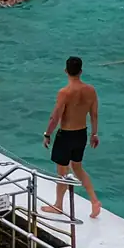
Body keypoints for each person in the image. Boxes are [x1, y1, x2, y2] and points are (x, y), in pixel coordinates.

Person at [43, 56, 101, 220]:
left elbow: (55, 117)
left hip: (66, 135)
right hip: (81, 134)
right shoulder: (91, 90)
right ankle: (94, 200)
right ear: (81, 71)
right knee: (78, 168)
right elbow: (94, 114)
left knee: (62, 172)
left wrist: (47, 134)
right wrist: (94, 134)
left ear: (65, 71)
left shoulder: (64, 93)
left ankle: (58, 205)